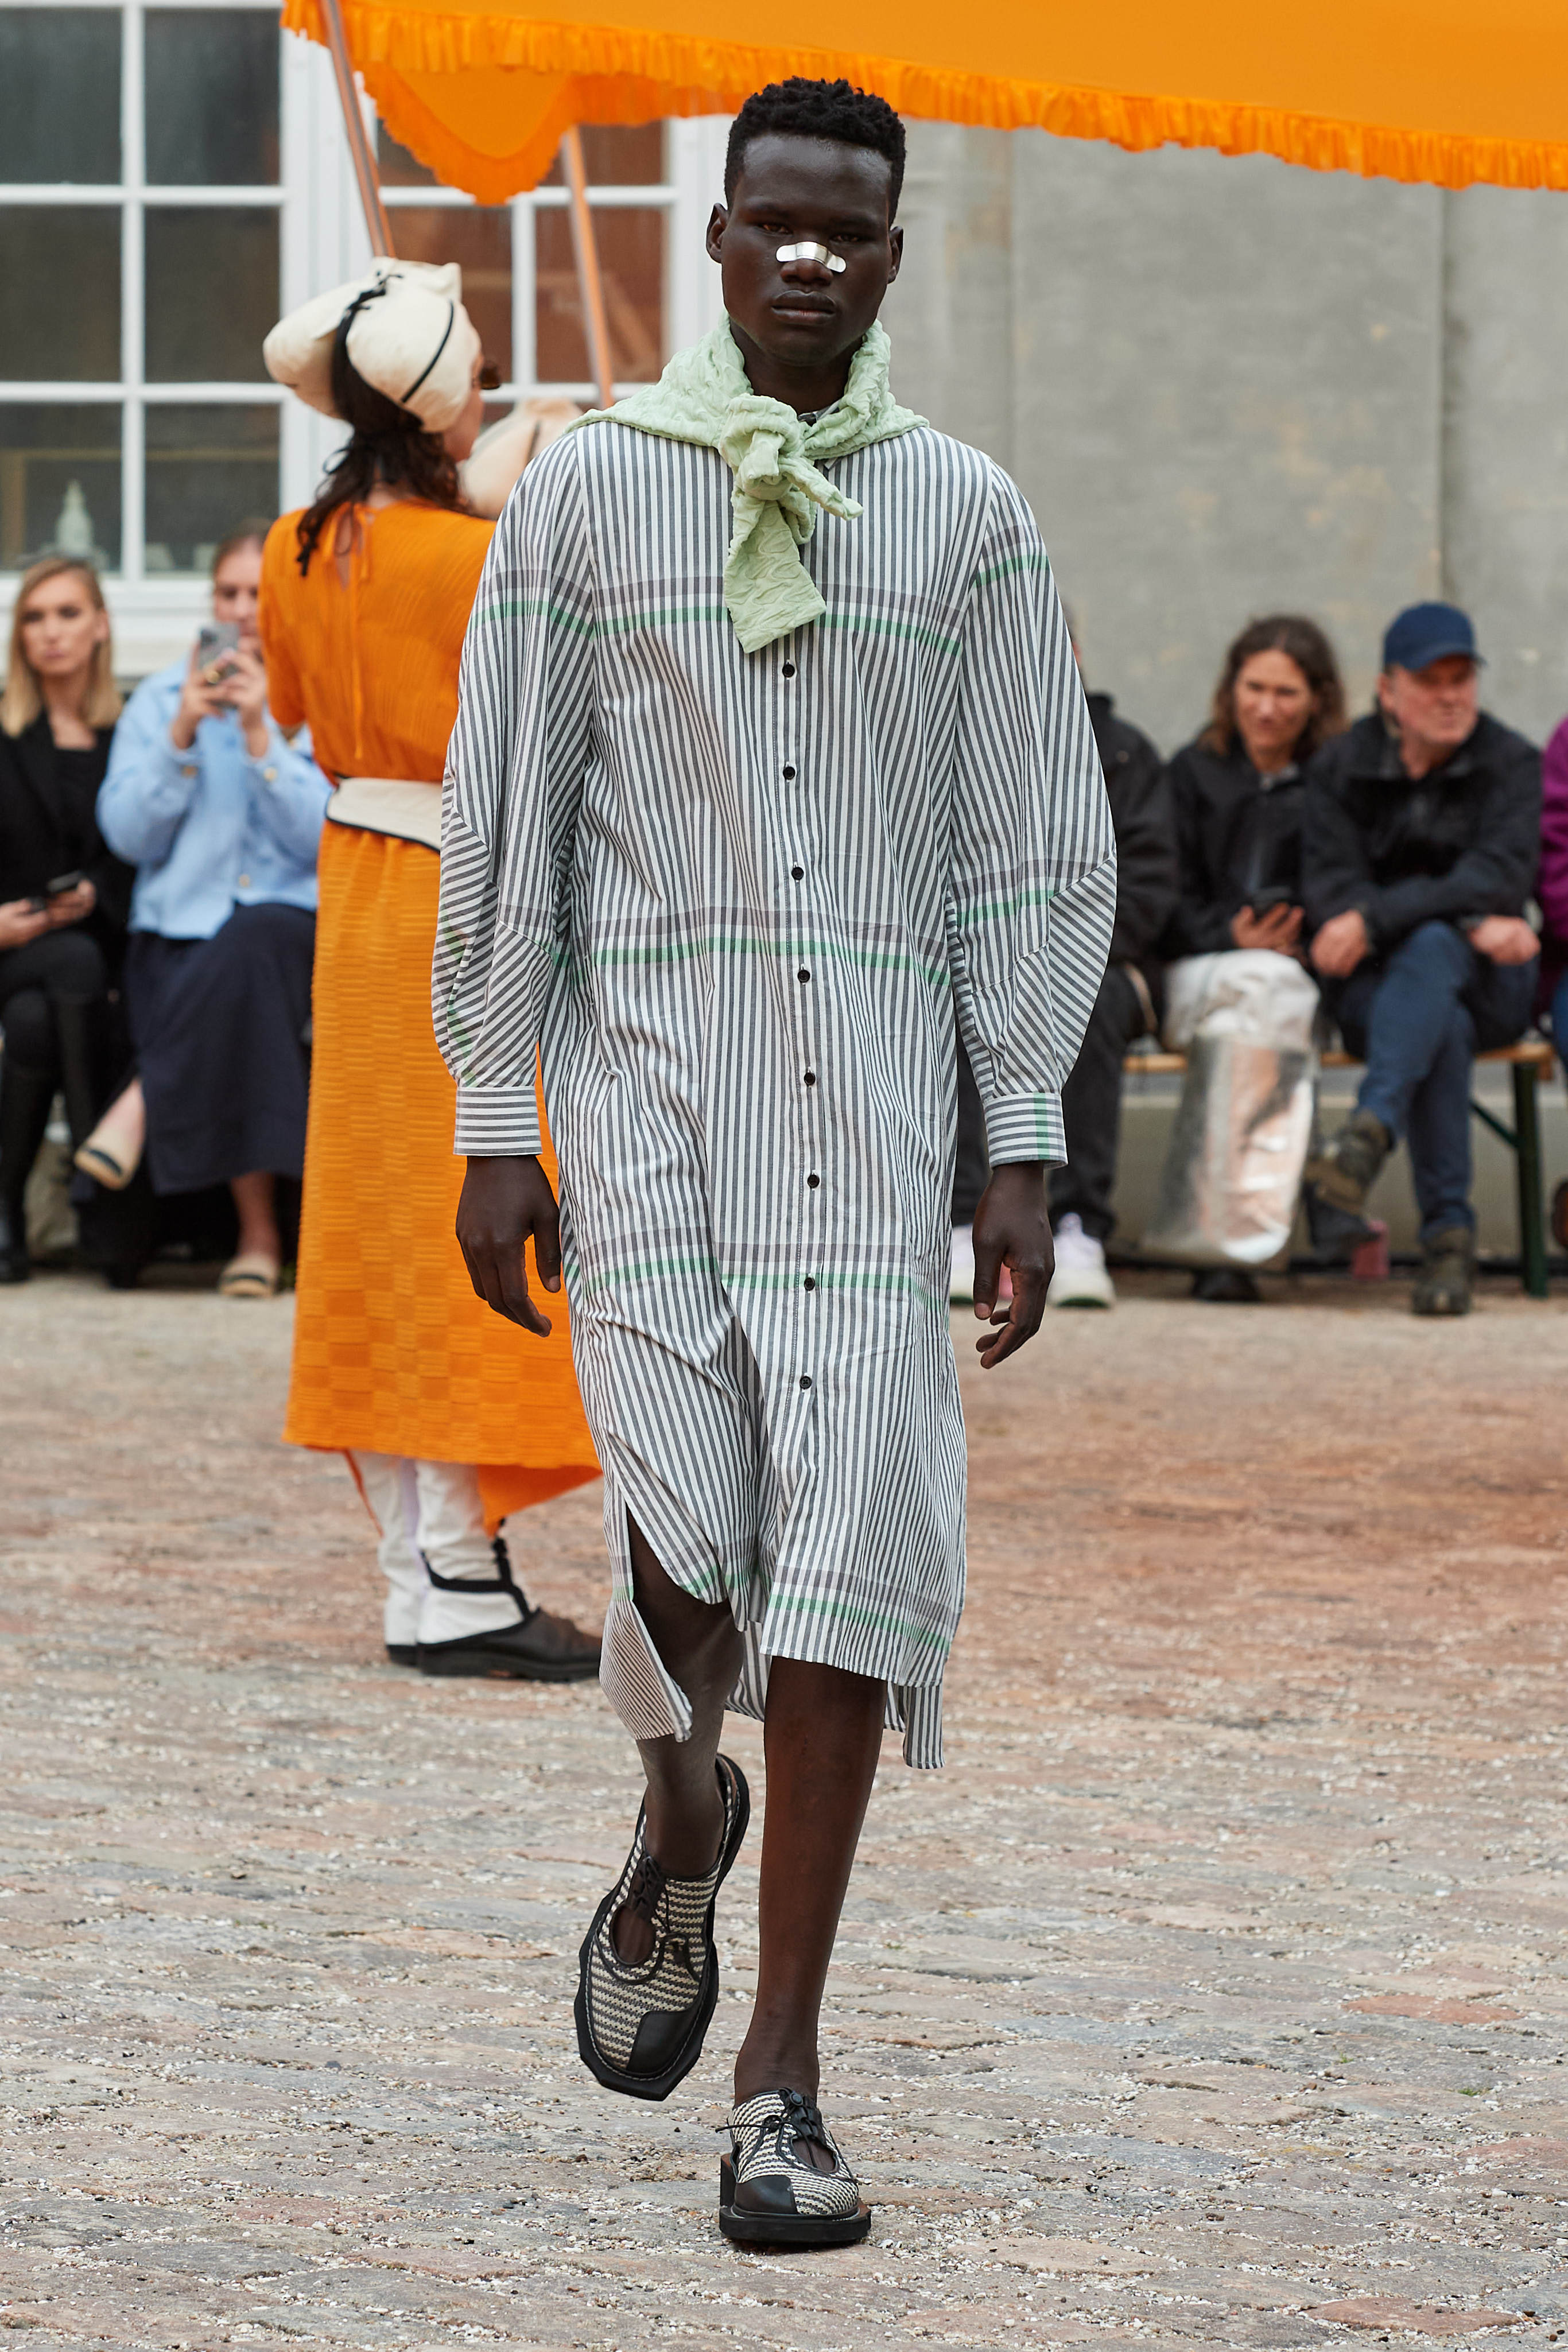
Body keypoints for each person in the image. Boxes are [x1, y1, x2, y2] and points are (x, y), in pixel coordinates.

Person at [438, 80, 1113, 2247]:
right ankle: (677, 1809)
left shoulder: (968, 517)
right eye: (774, 224)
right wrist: (489, 1114)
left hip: (872, 1126)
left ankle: (782, 2080)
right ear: (717, 241)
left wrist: (1022, 1137)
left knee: (845, 1554)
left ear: (891, 258)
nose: (809, 256)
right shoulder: (584, 497)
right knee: (683, 1547)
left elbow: (1031, 844)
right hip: (642, 1100)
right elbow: (508, 815)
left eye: (851, 231)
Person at [258, 256, 601, 1679]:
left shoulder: (291, 545)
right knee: (466, 1224)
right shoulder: (475, 555)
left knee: (378, 1231)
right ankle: (452, 1570)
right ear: (443, 404)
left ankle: (426, 1567)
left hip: (354, 888)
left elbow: (297, 708)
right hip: (459, 894)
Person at [94, 528, 329, 1295]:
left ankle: (141, 1103)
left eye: (258, 593)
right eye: (228, 593)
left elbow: (326, 840)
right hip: (181, 937)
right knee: (236, 971)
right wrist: (181, 737)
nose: (241, 609)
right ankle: (257, 1238)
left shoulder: (315, 698)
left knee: (256, 937)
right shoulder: (161, 700)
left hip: (292, 935)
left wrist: (263, 738)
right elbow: (128, 836)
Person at [1304, 601, 1540, 1317]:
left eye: (1460, 679)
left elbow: (1497, 878)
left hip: (1492, 986)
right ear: (1387, 690)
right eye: (1429, 681)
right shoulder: (1339, 767)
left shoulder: (1510, 762)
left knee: (1435, 953)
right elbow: (1330, 892)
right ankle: (1447, 1241)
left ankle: (1370, 1130)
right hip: (1375, 997)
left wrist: (1377, 918)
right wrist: (1463, 916)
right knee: (1441, 1018)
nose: (1448, 697)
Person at [952, 666, 1174, 1309]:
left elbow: (1150, 883)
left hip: (1104, 958)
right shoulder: (953, 740)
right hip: (977, 950)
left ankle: (1079, 1226)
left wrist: (1053, 951)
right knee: (955, 994)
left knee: (1089, 1000)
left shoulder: (1124, 753)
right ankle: (960, 1218)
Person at [1150, 615, 1346, 1301]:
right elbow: (1158, 904)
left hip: (1283, 993)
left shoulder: (1332, 782)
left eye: (1285, 693)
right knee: (1267, 985)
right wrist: (1229, 936)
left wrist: (1299, 938)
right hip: (1192, 976)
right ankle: (1278, 1215)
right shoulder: (1188, 773)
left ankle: (1217, 1246)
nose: (1265, 707)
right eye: (1253, 688)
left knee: (1258, 1006)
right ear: (1229, 688)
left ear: (1317, 699)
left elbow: (1346, 886)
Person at [0, 556, 129, 1282]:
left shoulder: (127, 735)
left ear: (100, 626)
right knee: (65, 966)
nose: (51, 632)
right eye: (34, 617)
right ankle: (96, 1196)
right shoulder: (3, 731)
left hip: (91, 958)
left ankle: (7, 1214)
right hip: (8, 949)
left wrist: (94, 895)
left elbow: (137, 857)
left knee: (33, 1022)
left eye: (68, 613)